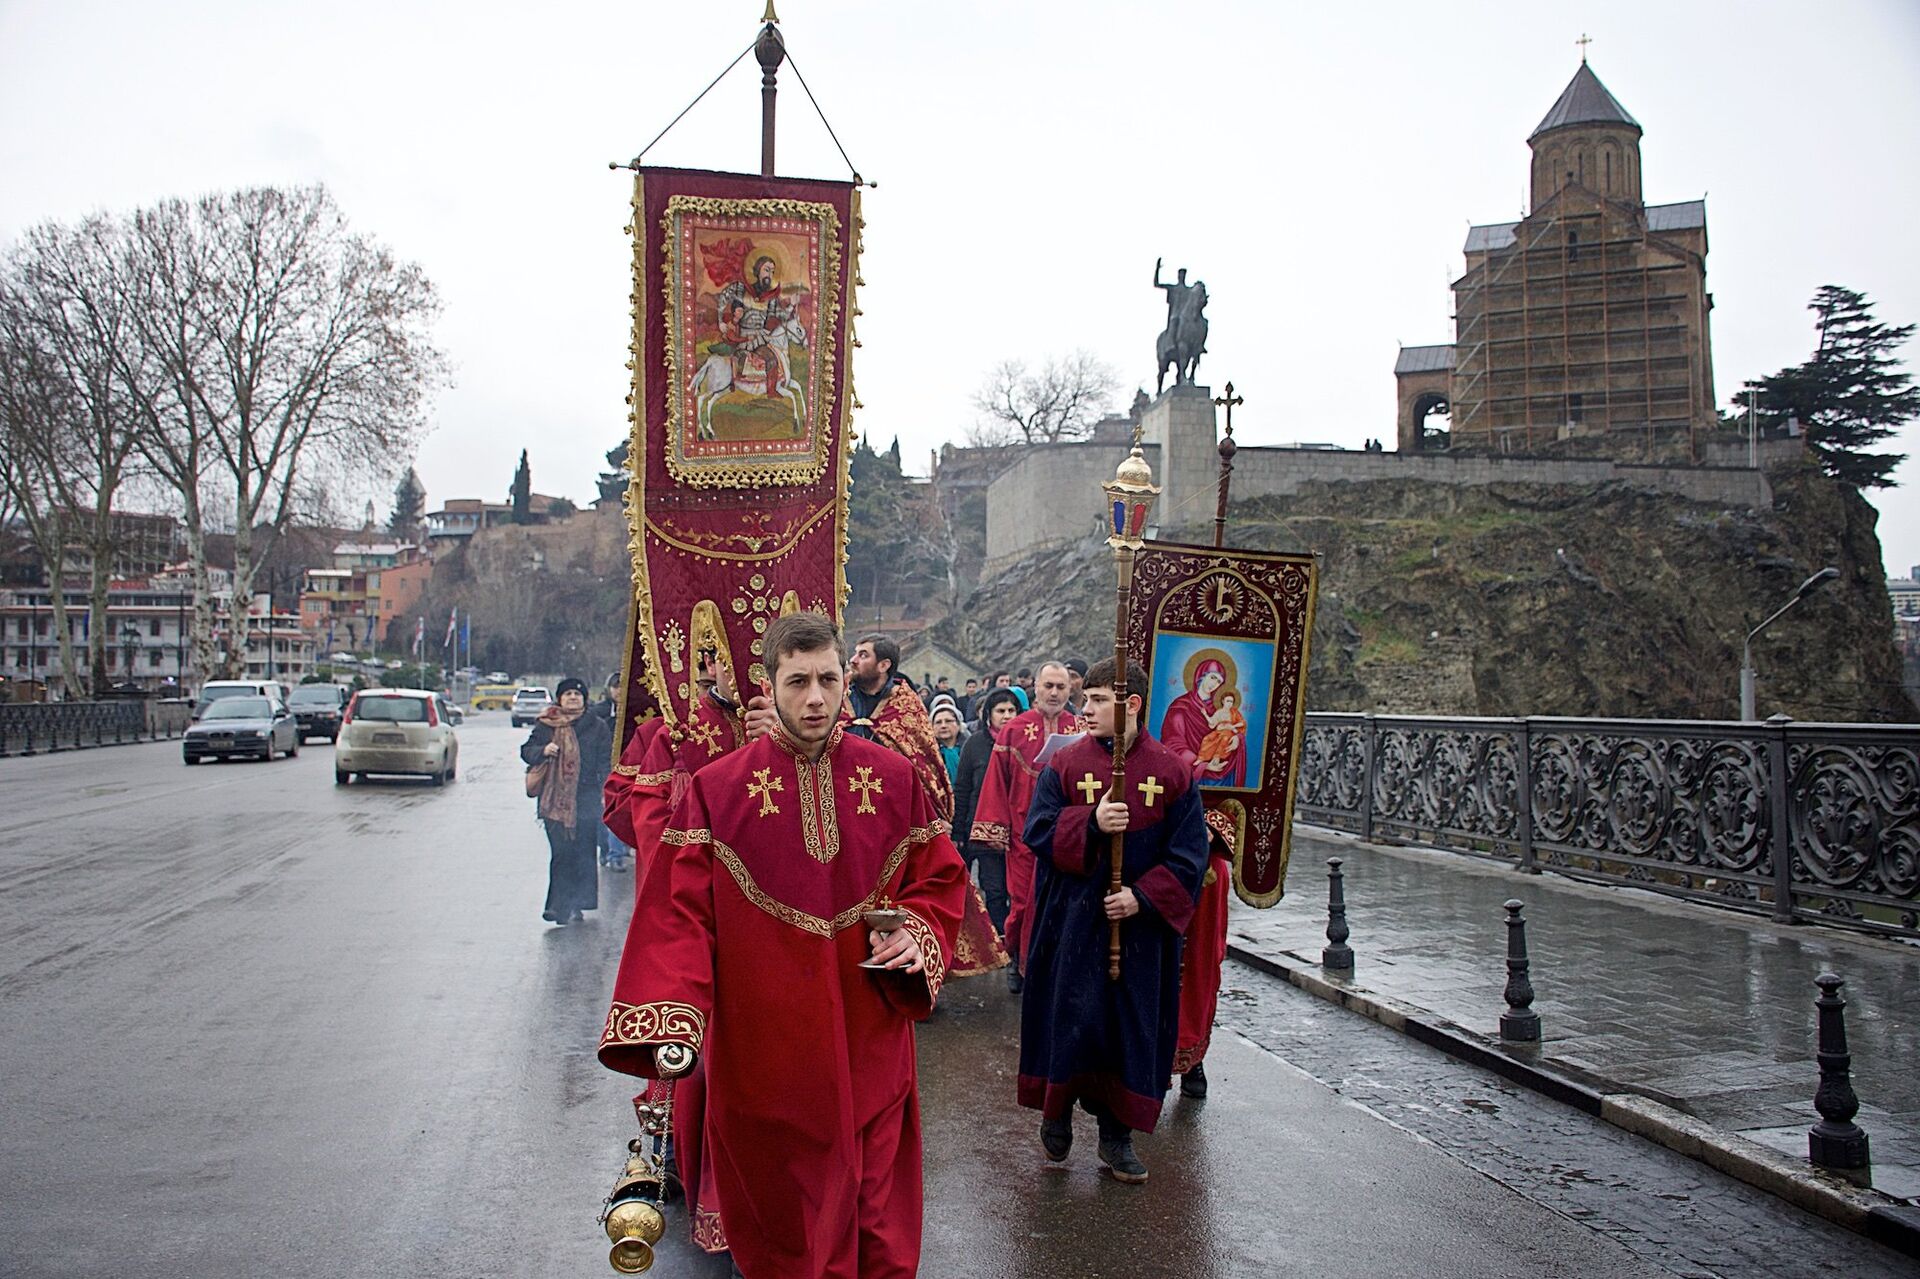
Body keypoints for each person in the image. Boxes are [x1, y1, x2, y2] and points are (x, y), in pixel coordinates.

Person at [599, 613, 969, 1279]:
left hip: (871, 1044)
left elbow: (938, 876)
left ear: (846, 681)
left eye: (829, 678)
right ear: (769, 684)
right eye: (798, 681)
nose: (816, 697)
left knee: (877, 1230)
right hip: (766, 1057)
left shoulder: (892, 779)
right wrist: (673, 1012)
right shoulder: (717, 792)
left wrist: (916, 930)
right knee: (783, 1232)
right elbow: (681, 915)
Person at [1018, 656, 1209, 1184]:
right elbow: (1037, 831)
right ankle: (1056, 1113)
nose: (1085, 709)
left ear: (1132, 705)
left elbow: (1190, 857)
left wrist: (1142, 899)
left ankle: (1116, 1136)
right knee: (1069, 1021)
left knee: (1124, 1030)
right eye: (1085, 699)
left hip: (1136, 934)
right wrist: (1092, 821)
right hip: (1072, 924)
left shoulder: (1172, 773)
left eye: (1097, 700)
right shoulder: (1065, 764)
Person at [847, 633, 1010, 979]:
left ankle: (915, 969)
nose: (853, 660)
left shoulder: (905, 704)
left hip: (897, 821)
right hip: (849, 820)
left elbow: (924, 761)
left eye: (862, 654)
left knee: (906, 896)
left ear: (884, 664)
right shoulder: (841, 699)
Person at [970, 660, 1080, 992]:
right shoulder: (1015, 730)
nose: (1055, 693)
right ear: (1036, 687)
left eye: (1061, 687)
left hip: (1065, 835)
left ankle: (1052, 965)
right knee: (1021, 903)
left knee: (1060, 903)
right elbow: (995, 784)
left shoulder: (1079, 728)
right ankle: (1018, 961)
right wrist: (995, 830)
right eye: (1049, 686)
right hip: (1024, 835)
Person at [521, 676, 611, 925]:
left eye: (577, 694)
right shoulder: (547, 724)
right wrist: (543, 750)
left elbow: (605, 760)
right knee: (561, 853)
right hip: (555, 802)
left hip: (586, 798)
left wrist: (606, 789)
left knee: (582, 852)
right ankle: (558, 907)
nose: (573, 697)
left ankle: (577, 903)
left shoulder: (597, 725)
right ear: (559, 698)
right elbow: (526, 751)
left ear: (585, 699)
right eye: (568, 693)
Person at [952, 687, 1021, 935]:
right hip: (983, 828)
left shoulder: (1024, 742)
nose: (1006, 716)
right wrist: (958, 830)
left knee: (1018, 890)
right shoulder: (975, 744)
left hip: (1018, 830)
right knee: (994, 888)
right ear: (988, 715)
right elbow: (962, 789)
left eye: (1011, 710)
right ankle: (1000, 937)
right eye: (1000, 710)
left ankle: (1016, 936)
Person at [931, 703, 963, 786]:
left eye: (948, 721)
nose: (943, 726)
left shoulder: (970, 749)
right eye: (938, 722)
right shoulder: (929, 754)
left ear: (958, 725)